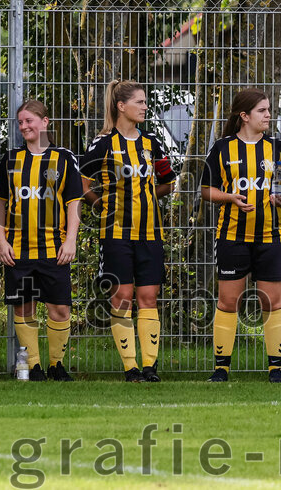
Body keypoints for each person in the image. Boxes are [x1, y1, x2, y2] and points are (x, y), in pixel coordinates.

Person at [80, 79, 176, 382]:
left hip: (150, 233)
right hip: (116, 234)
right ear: (121, 106)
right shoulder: (102, 143)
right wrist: (103, 206)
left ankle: (150, 366)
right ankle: (130, 367)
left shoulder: (152, 142)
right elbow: (83, 185)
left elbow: (167, 182)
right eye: (140, 102)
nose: (145, 107)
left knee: (149, 296)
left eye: (146, 102)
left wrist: (146, 198)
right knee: (122, 297)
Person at [200, 89, 281, 383]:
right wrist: (230, 197)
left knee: (272, 301)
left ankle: (276, 369)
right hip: (232, 236)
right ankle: (221, 369)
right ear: (244, 116)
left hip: (271, 236)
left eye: (269, 110)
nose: (268, 115)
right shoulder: (221, 148)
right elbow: (206, 191)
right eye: (262, 111)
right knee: (228, 301)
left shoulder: (278, 149)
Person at [0, 101, 82, 382]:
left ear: (45, 122)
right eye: (20, 122)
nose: (24, 127)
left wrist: (71, 241)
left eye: (29, 120)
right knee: (24, 307)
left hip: (53, 248)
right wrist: (1, 241)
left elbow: (74, 204)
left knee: (60, 309)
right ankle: (33, 366)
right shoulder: (9, 160)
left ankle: (57, 364)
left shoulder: (64, 158)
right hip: (18, 248)